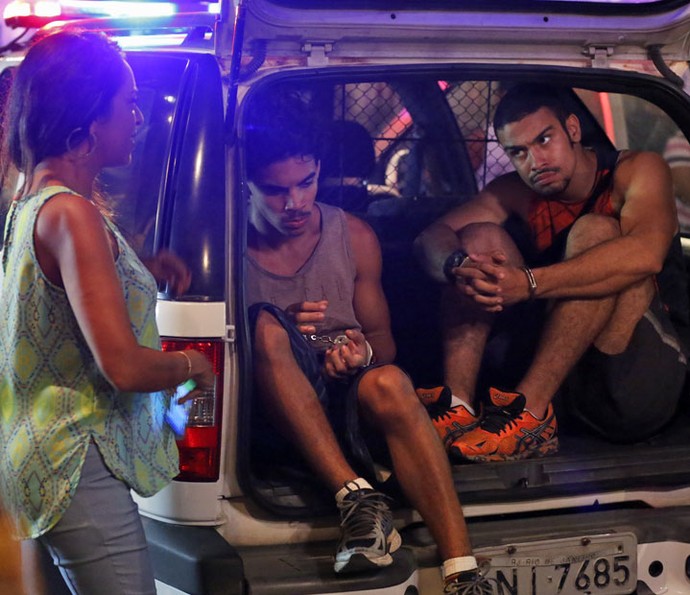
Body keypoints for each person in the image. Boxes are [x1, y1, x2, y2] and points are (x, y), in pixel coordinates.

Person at [243, 91, 491, 594]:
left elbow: (384, 342)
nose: (294, 203)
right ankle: (356, 497)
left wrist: (361, 355)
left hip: (344, 400)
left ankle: (464, 573)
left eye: (306, 183)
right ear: (243, 183)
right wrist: (285, 329)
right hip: (266, 414)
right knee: (266, 327)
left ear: (318, 170)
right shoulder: (223, 243)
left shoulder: (352, 234)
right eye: (274, 190)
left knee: (391, 381)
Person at [0, 30, 216, 595]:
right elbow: (124, 367)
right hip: (78, 462)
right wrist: (192, 363)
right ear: (92, 120)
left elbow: (59, 299)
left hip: (35, 454)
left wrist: (137, 266)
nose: (137, 117)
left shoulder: (31, 202)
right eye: (128, 102)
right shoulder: (72, 215)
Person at [414, 83, 688, 463]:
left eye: (544, 140)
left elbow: (646, 254)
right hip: (562, 379)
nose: (535, 161)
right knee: (478, 238)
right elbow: (430, 237)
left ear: (573, 129)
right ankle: (460, 407)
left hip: (634, 384)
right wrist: (457, 265)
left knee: (597, 231)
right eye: (518, 152)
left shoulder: (636, 170)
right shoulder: (513, 192)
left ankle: (531, 416)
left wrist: (528, 284)